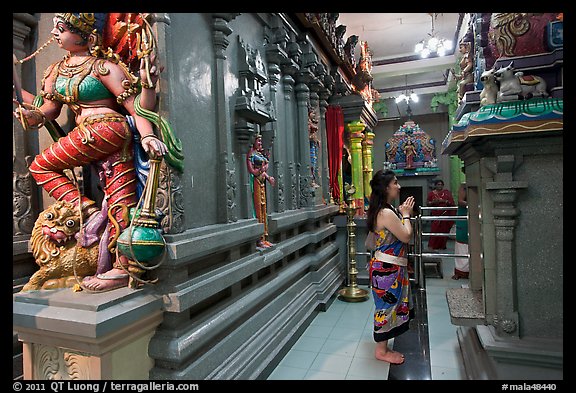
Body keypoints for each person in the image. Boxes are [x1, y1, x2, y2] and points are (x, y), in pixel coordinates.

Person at [13, 13, 169, 292]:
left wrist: (147, 135)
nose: (56, 35)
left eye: (62, 29)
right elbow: (47, 112)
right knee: (121, 199)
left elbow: (136, 107)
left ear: (86, 35)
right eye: (55, 29)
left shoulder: (104, 68)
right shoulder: (54, 72)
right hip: (98, 139)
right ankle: (122, 268)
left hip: (106, 129)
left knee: (41, 166)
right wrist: (27, 111)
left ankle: (89, 211)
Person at [365, 169, 415, 365]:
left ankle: (383, 346)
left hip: (388, 267)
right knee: (386, 307)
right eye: (395, 182)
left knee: (389, 306)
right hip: (387, 269)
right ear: (386, 188)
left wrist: (401, 214)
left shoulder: (384, 210)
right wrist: (406, 215)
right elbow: (406, 236)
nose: (398, 186)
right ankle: (381, 351)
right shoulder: (386, 212)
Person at [247, 133, 276, 249]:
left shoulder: (260, 154)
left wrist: (269, 178)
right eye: (258, 141)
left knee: (264, 210)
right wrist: (260, 171)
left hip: (262, 183)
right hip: (256, 183)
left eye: (261, 142)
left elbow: (263, 169)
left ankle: (264, 237)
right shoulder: (251, 154)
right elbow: (252, 170)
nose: (260, 143)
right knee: (259, 210)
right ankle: (259, 239)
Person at [427, 179, 455, 251]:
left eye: (441, 185)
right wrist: (433, 202)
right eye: (438, 184)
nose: (440, 186)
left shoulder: (446, 193)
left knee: (443, 231)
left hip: (444, 215)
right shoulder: (431, 194)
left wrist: (443, 201)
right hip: (435, 215)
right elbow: (427, 203)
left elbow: (451, 203)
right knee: (434, 230)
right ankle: (432, 246)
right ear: (435, 185)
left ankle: (442, 246)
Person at [453, 183, 469, 279]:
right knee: (462, 244)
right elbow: (460, 201)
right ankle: (460, 272)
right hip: (464, 216)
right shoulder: (463, 186)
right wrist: (474, 204)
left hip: (475, 215)